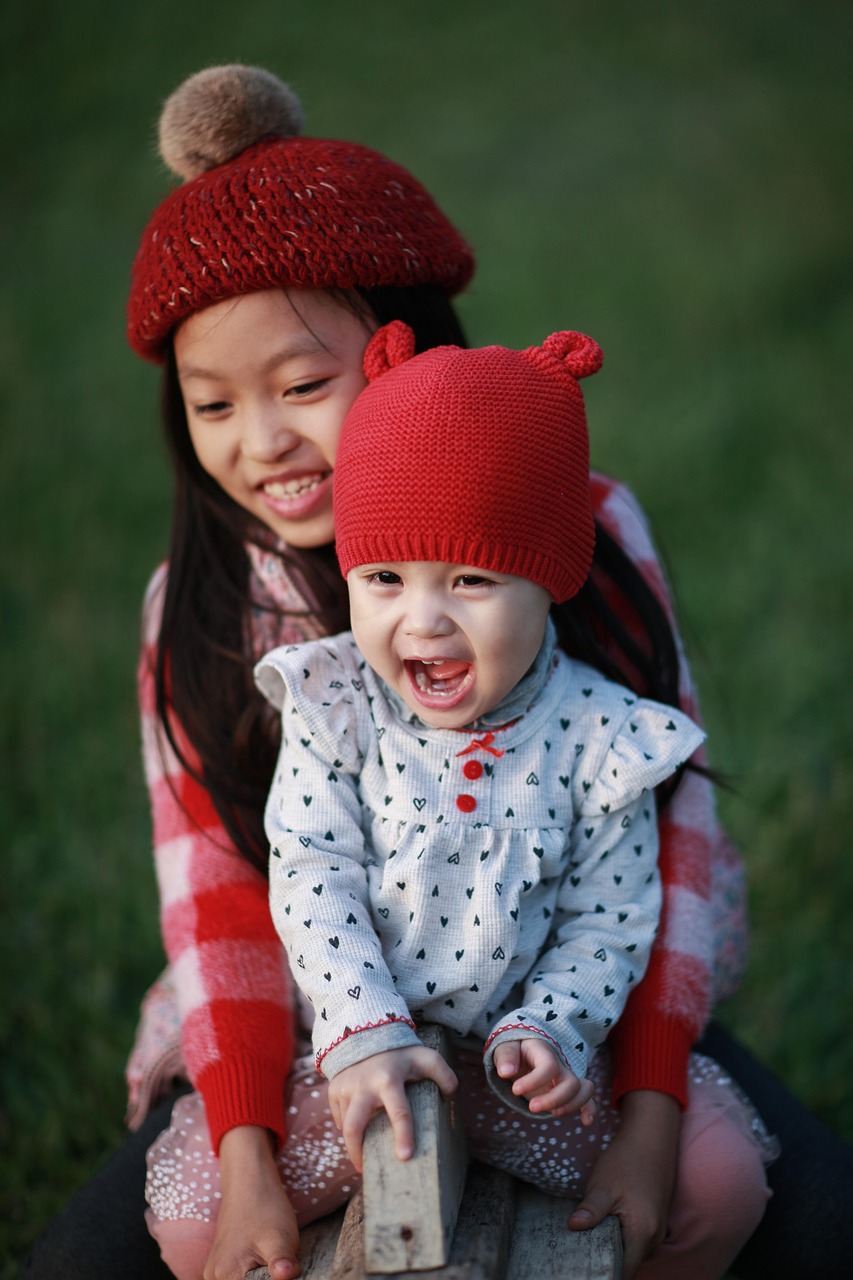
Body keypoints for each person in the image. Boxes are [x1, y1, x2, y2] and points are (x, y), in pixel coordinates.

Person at [23, 61, 853, 1280]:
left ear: (404, 349)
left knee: (806, 1218)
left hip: (574, 995)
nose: (263, 442)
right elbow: (220, 900)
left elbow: (661, 850)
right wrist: (247, 1149)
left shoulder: (585, 527)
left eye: (304, 384)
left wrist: (651, 1101)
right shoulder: (198, 607)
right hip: (310, 1020)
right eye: (212, 405)